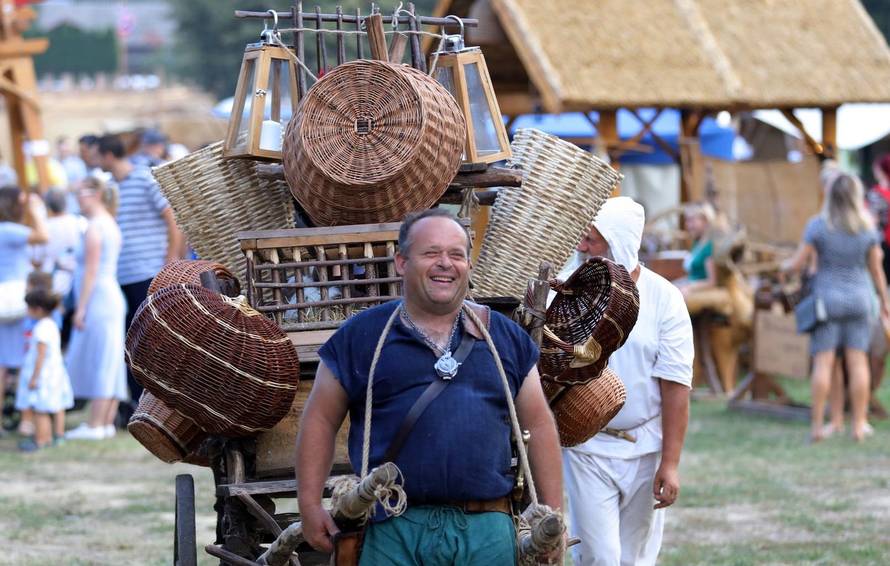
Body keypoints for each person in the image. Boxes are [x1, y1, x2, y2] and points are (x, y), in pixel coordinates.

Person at [296, 208, 563, 565]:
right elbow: (320, 420)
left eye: (456, 255)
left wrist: (554, 516)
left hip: (487, 533)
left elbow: (540, 424)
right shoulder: (362, 337)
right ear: (402, 262)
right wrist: (310, 504)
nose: (445, 264)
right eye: (431, 253)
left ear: (469, 265)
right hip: (391, 530)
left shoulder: (504, 337)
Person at [561, 196, 694, 566]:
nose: (581, 248)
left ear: (618, 242)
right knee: (599, 558)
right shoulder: (568, 293)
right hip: (588, 447)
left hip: (645, 448)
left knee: (635, 560)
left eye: (592, 239)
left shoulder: (665, 300)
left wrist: (669, 463)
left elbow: (676, 386)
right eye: (582, 237)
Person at [782, 172, 890, 442]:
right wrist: (885, 302)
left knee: (823, 362)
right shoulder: (867, 228)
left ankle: (818, 426)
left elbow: (797, 264)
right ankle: (858, 425)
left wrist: (783, 267)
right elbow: (877, 272)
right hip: (860, 299)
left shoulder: (818, 226)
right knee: (858, 362)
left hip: (827, 300)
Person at [97, 133, 183, 420]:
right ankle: (136, 403)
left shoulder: (144, 179)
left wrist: (171, 259)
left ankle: (159, 403)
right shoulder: (112, 187)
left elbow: (172, 217)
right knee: (129, 343)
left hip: (146, 271)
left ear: (108, 155)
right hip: (122, 274)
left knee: (148, 339)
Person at [64, 176, 128, 440]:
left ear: (94, 194)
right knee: (109, 358)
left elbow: (91, 270)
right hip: (108, 296)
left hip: (99, 298)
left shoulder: (95, 227)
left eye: (80, 192)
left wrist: (80, 308)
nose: (77, 198)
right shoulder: (108, 223)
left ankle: (96, 424)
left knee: (102, 357)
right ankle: (103, 422)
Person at [0, 187, 48, 425]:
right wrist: (37, 210)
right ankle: (28, 420)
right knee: (25, 359)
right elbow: (43, 235)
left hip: (2, 303)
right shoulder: (10, 230)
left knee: (2, 363)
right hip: (17, 301)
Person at [15, 288, 73, 451]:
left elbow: (40, 356)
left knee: (40, 410)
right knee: (49, 408)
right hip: (54, 374)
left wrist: (34, 378)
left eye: (28, 307)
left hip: (43, 376)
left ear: (37, 309)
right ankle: (50, 437)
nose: (26, 311)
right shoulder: (52, 325)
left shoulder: (40, 328)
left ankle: (40, 440)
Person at [675, 202, 719, 299]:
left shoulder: (709, 246)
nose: (688, 225)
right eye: (687, 221)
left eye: (692, 220)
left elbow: (712, 282)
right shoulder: (698, 243)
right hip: (691, 287)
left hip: (701, 294)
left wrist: (689, 287)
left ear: (705, 221)